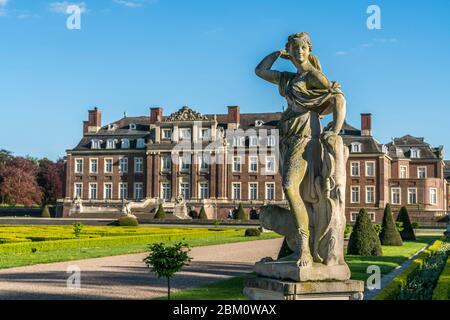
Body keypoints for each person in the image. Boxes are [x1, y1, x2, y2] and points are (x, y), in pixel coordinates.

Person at [255, 32, 346, 267]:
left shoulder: (313, 76)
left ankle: (304, 248)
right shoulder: (287, 77)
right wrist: (278, 53)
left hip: (305, 136)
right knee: (294, 192)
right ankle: (300, 244)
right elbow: (260, 71)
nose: (299, 52)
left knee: (289, 186)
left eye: (303, 48)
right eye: (294, 49)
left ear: (309, 49)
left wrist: (334, 130)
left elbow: (337, 98)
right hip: (286, 135)